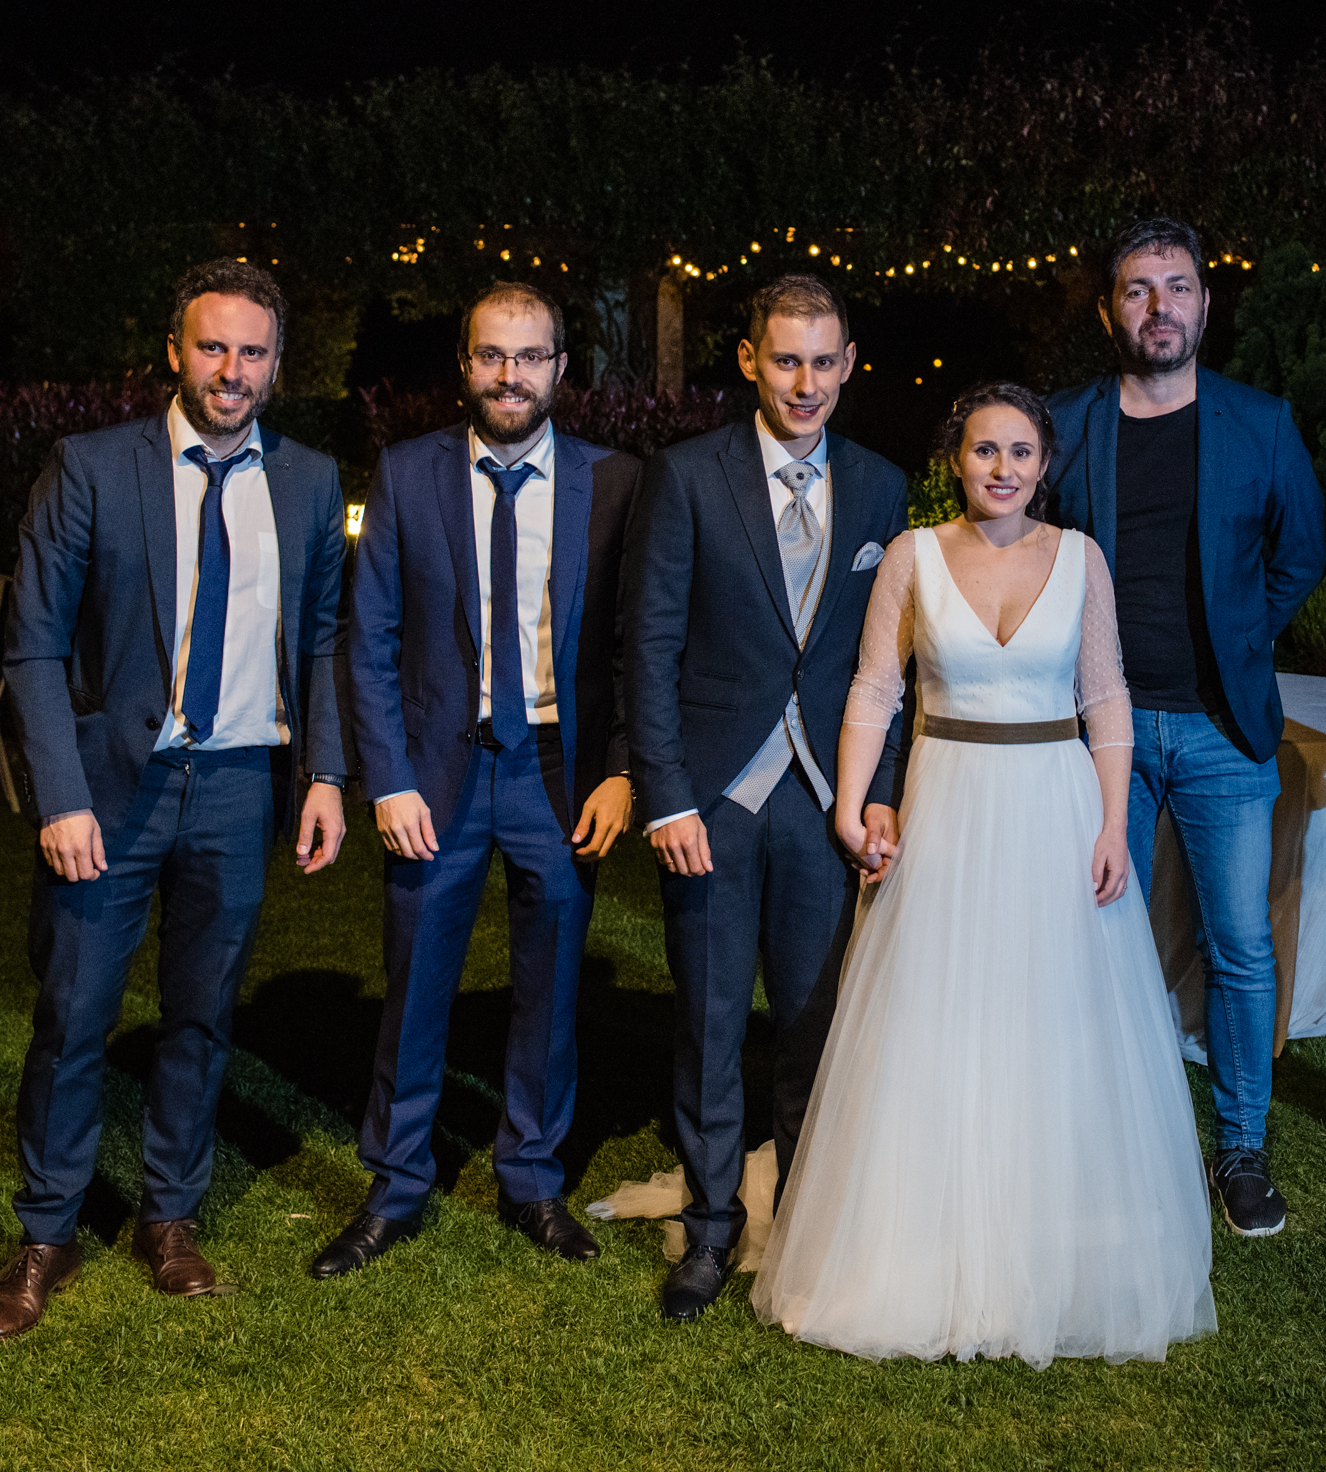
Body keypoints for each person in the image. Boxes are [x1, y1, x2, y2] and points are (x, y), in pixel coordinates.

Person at [754, 382, 1217, 1366]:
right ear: (954, 460)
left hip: (1055, 811)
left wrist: (1110, 823)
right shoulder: (913, 557)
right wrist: (849, 804)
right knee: (939, 1016)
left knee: (1053, 1020)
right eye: (982, 450)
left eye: (1019, 451)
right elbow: (875, 686)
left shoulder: (1080, 558)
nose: (1001, 468)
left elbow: (1106, 696)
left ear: (1044, 464)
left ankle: (1052, 1242)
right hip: (949, 809)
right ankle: (923, 1242)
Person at [0, 260, 348, 1339]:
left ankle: (170, 1218)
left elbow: (324, 638)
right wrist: (60, 795)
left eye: (252, 350)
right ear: (175, 351)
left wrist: (326, 773)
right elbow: (32, 645)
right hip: (109, 791)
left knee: (200, 1014)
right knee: (74, 1014)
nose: (232, 369)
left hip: (238, 787)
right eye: (212, 346)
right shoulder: (93, 466)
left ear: (277, 364)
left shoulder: (311, 480)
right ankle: (47, 1231)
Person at [311, 282, 642, 1279]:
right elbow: (368, 637)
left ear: (560, 369)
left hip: (557, 770)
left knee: (551, 987)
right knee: (415, 985)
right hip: (434, 775)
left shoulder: (614, 482)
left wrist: (622, 771)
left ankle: (532, 1177)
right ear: (465, 365)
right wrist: (386, 779)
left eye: (530, 356)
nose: (510, 374)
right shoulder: (407, 473)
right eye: (492, 355)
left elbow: (635, 645)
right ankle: (395, 1183)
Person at [622, 274, 909, 1322]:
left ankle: (803, 1221)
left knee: (812, 1021)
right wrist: (665, 797)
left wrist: (879, 792)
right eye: (786, 359)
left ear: (848, 364)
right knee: (708, 1018)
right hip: (712, 800)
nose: (805, 382)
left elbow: (888, 664)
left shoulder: (879, 486)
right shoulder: (687, 475)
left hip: (826, 799)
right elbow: (648, 644)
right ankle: (710, 1228)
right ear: (749, 361)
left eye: (824, 361)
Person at [1044, 217, 1326, 1239]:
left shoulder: (1261, 423)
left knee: (1239, 945)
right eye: (1137, 288)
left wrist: (1241, 636)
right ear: (1108, 310)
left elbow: (1302, 551)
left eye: (1176, 286)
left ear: (1206, 303)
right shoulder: (1066, 424)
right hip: (1098, 729)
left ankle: (1240, 1147)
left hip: (1219, 728)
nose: (1158, 306)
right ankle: (1095, 1137)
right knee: (1088, 933)